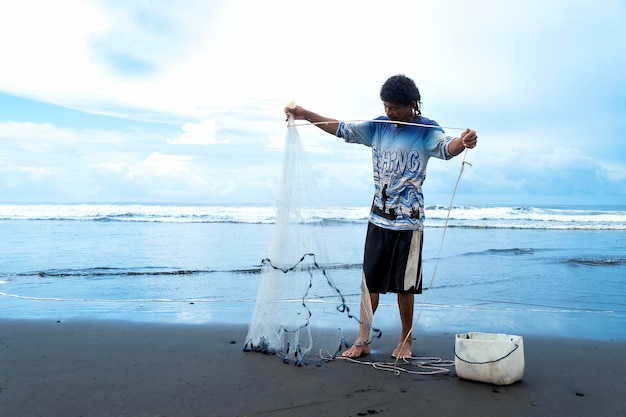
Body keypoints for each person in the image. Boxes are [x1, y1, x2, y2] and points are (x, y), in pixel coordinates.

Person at [284, 74, 478, 359]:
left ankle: (406, 341)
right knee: (369, 282)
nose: (389, 112)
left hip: (409, 222)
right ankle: (363, 340)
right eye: (385, 106)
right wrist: (305, 114)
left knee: (405, 286)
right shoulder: (378, 126)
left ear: (412, 105)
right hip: (378, 218)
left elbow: (447, 147)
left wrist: (464, 142)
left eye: (395, 107)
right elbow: (341, 128)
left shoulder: (426, 131)